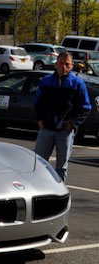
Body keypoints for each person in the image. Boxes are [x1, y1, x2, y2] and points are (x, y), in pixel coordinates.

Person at [34, 51, 91, 182]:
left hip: (65, 132)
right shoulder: (46, 82)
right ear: (56, 64)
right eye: (61, 63)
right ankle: (39, 190)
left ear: (72, 66)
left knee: (61, 167)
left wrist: (73, 124)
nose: (64, 67)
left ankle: (60, 195)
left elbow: (86, 107)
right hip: (46, 129)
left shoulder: (77, 83)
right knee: (38, 163)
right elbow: (38, 103)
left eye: (67, 64)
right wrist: (40, 120)